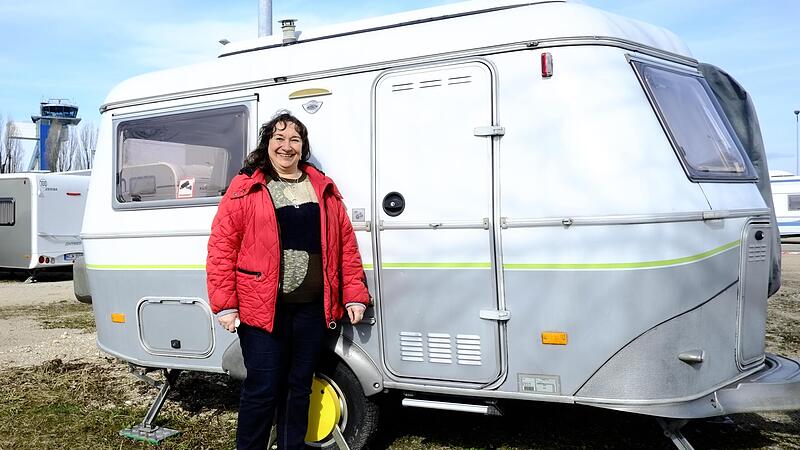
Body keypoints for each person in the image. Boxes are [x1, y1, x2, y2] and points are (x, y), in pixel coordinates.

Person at [206, 111, 370, 450]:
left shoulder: (322, 188)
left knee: (300, 387)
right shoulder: (248, 186)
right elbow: (222, 246)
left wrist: (354, 294)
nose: (286, 146)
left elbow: (345, 246)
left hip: (311, 309)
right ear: (267, 144)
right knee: (264, 388)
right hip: (262, 309)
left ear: (303, 147)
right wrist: (225, 304)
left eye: (294, 140)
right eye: (278, 139)